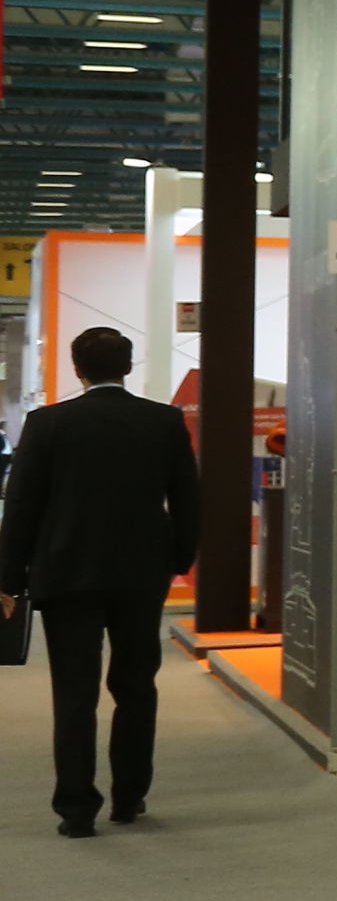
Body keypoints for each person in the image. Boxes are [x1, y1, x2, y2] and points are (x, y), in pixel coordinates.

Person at [2, 325, 205, 837]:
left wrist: (8, 579)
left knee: (74, 692)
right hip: (141, 575)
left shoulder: (47, 424)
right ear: (128, 366)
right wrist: (177, 560)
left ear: (77, 369)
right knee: (136, 685)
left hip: (66, 574)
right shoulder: (163, 421)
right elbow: (188, 499)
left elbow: (21, 507)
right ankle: (129, 797)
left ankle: (76, 810)